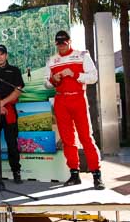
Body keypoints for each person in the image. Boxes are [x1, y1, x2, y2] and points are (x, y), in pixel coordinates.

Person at [44, 30, 105, 190]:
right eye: (58, 43)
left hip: (78, 98)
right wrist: (53, 79)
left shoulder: (82, 55)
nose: (61, 46)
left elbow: (93, 77)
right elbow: (46, 83)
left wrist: (75, 74)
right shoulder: (52, 60)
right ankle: (74, 174)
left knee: (86, 137)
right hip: (61, 99)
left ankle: (97, 175)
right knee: (67, 140)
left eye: (64, 43)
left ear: (70, 41)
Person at [0, 44, 24, 184]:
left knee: (12, 143)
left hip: (9, 110)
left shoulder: (15, 71)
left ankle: (16, 172)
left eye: (2, 54)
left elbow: (18, 90)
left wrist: (3, 103)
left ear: (6, 55)